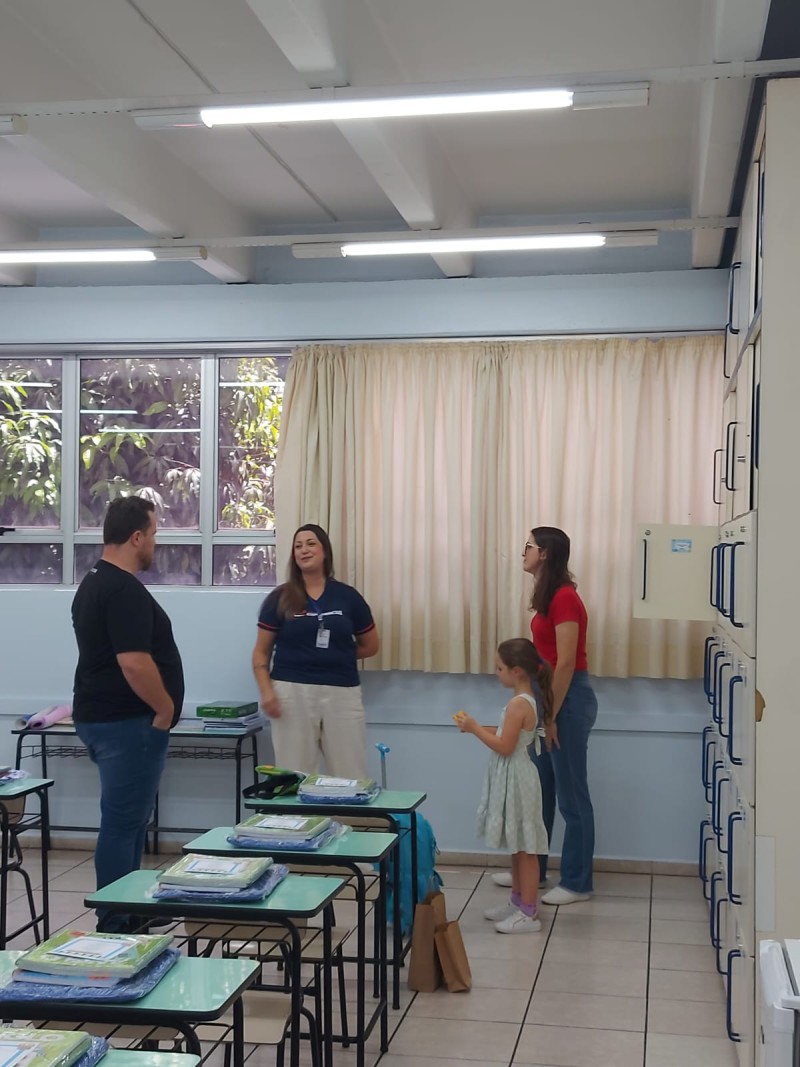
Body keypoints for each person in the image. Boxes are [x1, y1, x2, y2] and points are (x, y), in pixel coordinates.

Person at [71, 496, 184, 932]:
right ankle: (115, 920)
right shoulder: (122, 590)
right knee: (122, 823)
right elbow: (134, 663)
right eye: (153, 534)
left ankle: (131, 906)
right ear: (136, 537)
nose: (155, 543)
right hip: (126, 723)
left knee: (132, 820)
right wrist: (165, 708)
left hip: (105, 717)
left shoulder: (94, 581)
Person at [252, 523, 379, 778]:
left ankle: (347, 807)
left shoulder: (348, 597)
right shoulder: (280, 598)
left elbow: (371, 645)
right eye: (298, 546)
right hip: (292, 692)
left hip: (342, 692)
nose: (304, 550)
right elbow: (260, 653)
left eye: (311, 544)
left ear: (325, 552)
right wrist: (267, 692)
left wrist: (336, 654)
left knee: (350, 773)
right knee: (294, 774)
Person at [456, 638, 552, 934]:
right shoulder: (522, 701)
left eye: (500, 668)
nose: (496, 673)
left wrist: (475, 729)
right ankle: (518, 901)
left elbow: (505, 746)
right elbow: (505, 734)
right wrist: (474, 727)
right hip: (514, 778)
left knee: (526, 849)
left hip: (518, 779)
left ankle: (529, 913)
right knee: (517, 845)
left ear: (517, 671)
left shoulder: (518, 704)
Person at [524, 526, 599, 905]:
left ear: (546, 553)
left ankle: (577, 883)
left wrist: (550, 716)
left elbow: (566, 662)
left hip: (566, 700)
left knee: (572, 796)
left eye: (529, 546)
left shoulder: (565, 598)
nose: (523, 552)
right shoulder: (548, 594)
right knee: (541, 791)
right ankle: (533, 873)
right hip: (549, 697)